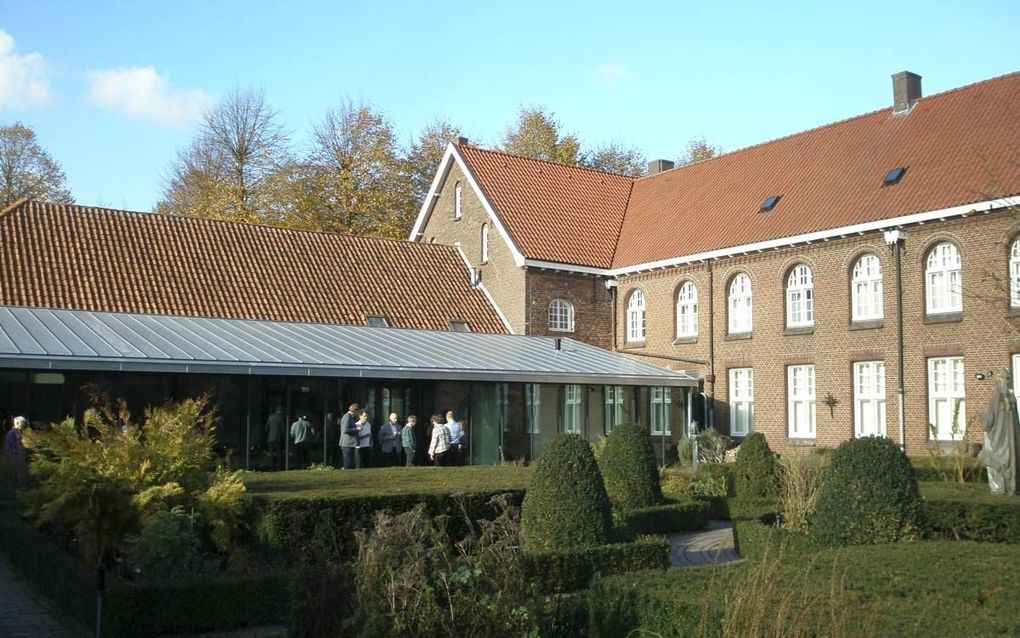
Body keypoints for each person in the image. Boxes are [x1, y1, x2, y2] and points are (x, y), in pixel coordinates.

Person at [3, 416, 28, 481]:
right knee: (18, 471)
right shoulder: (11, 433)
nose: (24, 426)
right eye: (23, 423)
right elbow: (9, 446)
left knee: (21, 470)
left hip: (19, 456)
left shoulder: (19, 432)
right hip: (14, 455)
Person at [339, 403, 360, 470]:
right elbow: (346, 430)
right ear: (355, 410)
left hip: (350, 444)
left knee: (350, 462)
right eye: (358, 411)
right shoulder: (347, 416)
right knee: (348, 463)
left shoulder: (351, 417)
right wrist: (356, 429)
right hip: (347, 444)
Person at [265, 407, 286, 471]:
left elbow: (266, 428)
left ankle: (271, 467)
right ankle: (278, 467)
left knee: (271, 453)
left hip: (270, 438)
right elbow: (283, 429)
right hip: (278, 438)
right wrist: (284, 436)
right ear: (281, 412)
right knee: (279, 453)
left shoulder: (270, 417)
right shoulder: (281, 418)